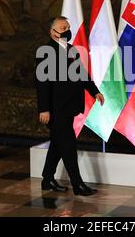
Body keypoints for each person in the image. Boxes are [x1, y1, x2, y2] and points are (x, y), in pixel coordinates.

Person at [34, 16, 104, 196]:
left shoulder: (71, 49)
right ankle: (77, 184)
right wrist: (44, 108)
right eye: (62, 27)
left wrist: (94, 91)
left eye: (68, 27)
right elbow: (42, 83)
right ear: (53, 32)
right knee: (68, 145)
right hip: (56, 109)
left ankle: (47, 179)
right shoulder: (45, 52)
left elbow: (82, 74)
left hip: (70, 106)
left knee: (58, 143)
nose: (66, 30)